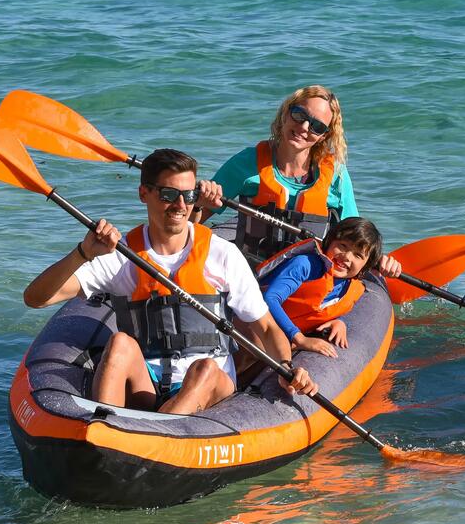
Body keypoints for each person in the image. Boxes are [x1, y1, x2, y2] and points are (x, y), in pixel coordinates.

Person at [23, 148, 314, 415]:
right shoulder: (122, 254)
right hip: (145, 383)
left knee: (205, 369)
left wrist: (287, 367)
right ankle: (106, 428)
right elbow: (36, 298)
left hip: (209, 383)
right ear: (144, 193)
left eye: (187, 196)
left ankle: (156, 436)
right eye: (167, 194)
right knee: (120, 343)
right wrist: (83, 253)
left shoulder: (221, 254)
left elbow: (266, 327)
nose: (179, 205)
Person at [194, 85, 399, 276]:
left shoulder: (336, 174)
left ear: (324, 136)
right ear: (285, 114)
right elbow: (191, 222)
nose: (304, 127)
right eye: (299, 115)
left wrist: (381, 261)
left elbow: (356, 238)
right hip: (250, 273)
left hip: (306, 277)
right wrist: (200, 204)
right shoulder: (247, 163)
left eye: (317, 126)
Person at [258, 216, 384, 359]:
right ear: (329, 241)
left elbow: (326, 306)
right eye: (343, 245)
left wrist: (339, 320)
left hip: (281, 336)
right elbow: (269, 299)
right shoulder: (305, 265)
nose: (347, 256)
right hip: (254, 328)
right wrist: (299, 338)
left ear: (365, 266)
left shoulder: (350, 286)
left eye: (358, 255)